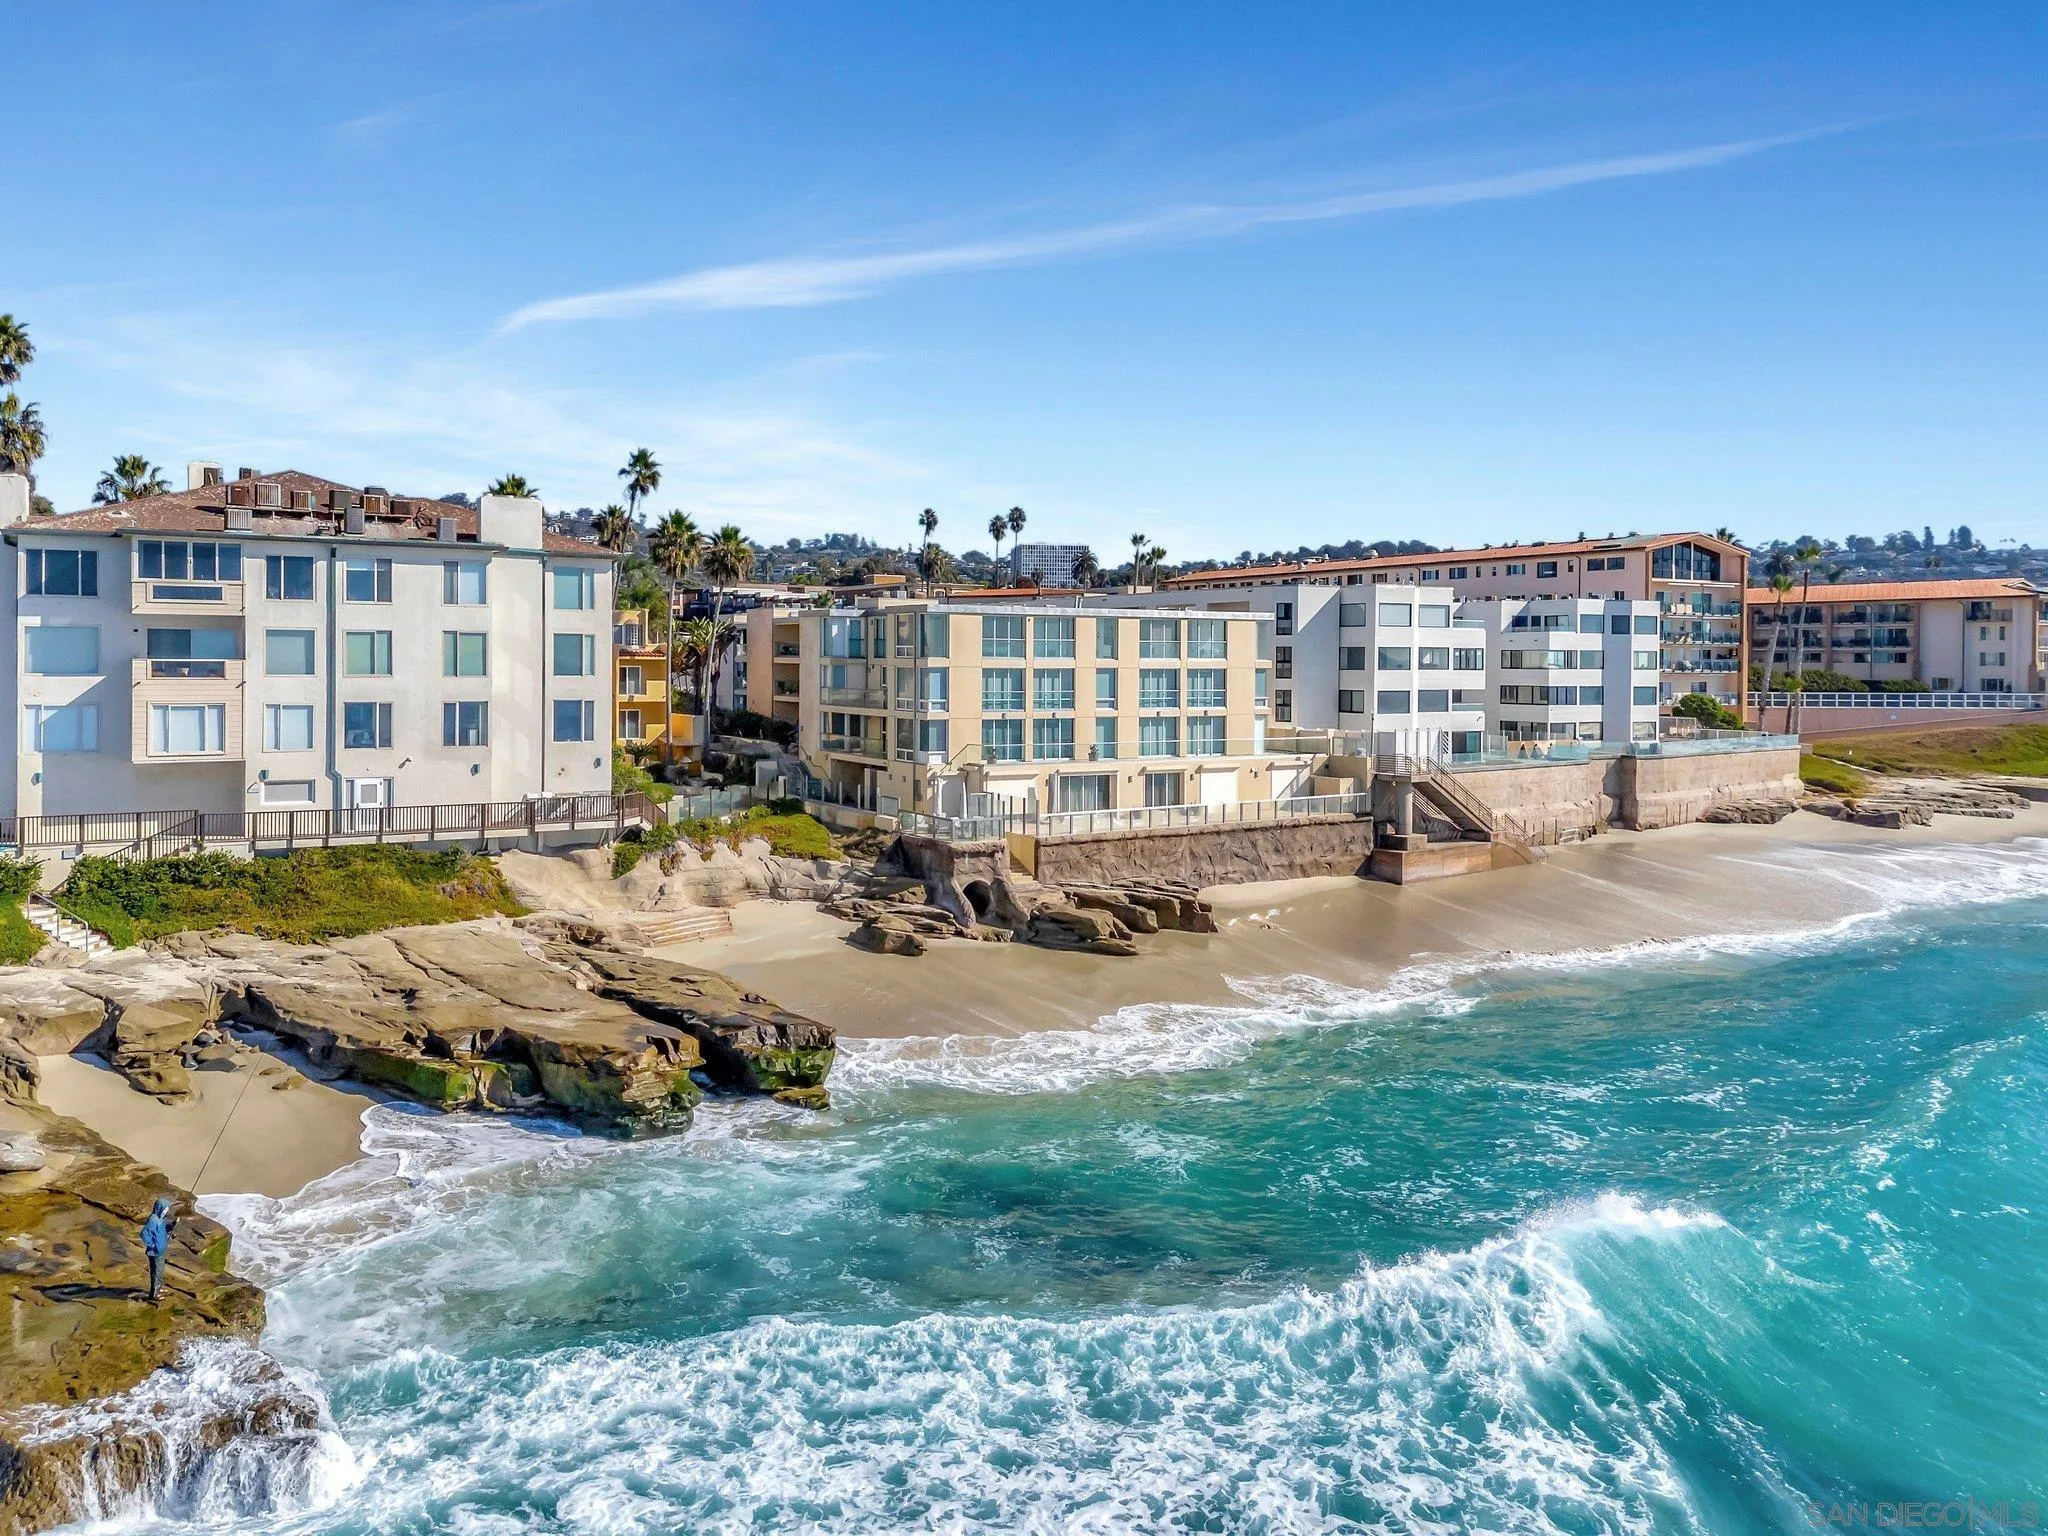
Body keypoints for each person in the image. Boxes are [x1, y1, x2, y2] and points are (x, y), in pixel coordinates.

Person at [140, 1196, 174, 1304]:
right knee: (156, 1271)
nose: (166, 1210)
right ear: (159, 1208)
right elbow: (144, 1234)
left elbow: (164, 1230)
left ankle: (158, 1288)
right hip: (155, 1252)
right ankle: (154, 1294)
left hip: (161, 1250)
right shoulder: (153, 1220)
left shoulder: (160, 1219)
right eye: (165, 1209)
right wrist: (153, 1246)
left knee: (159, 1270)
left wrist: (172, 1225)